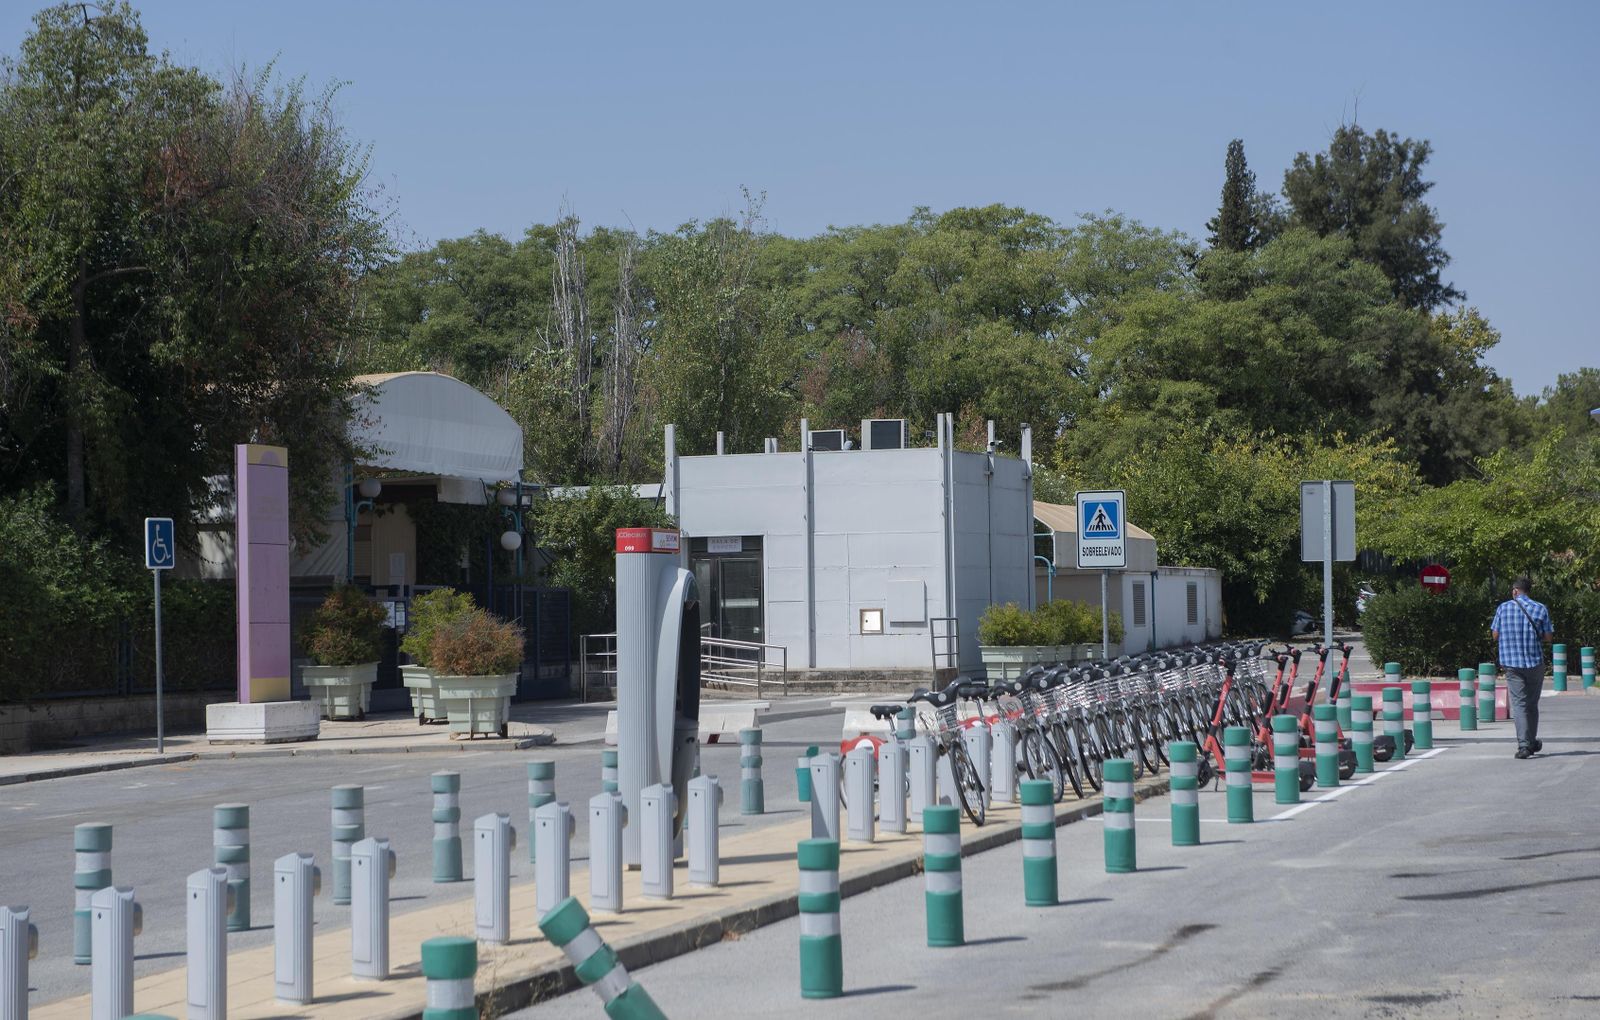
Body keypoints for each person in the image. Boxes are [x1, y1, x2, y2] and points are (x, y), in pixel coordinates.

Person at [1490, 575, 1554, 758]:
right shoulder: (1540, 608)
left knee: (1519, 704)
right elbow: (1549, 637)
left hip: (1512, 664)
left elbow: (1495, 635)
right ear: (1528, 591)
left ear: (1515, 591)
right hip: (1534, 663)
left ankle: (1524, 745)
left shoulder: (1503, 608)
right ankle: (1531, 741)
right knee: (1532, 704)